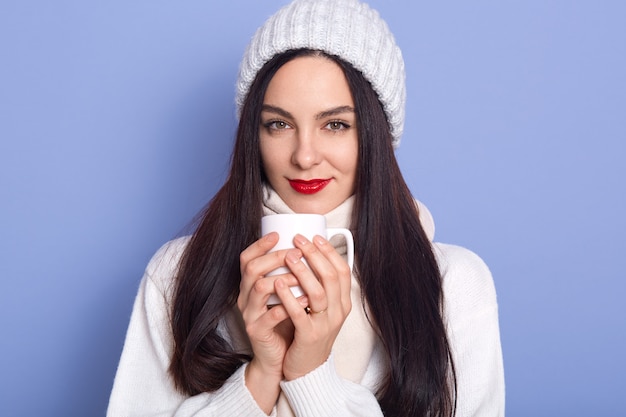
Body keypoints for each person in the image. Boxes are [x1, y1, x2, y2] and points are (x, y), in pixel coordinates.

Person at [107, 0, 505, 416]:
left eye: (336, 124)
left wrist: (311, 376)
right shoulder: (177, 273)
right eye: (278, 124)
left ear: (377, 136)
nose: (305, 156)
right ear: (252, 136)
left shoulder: (454, 284)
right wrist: (260, 375)